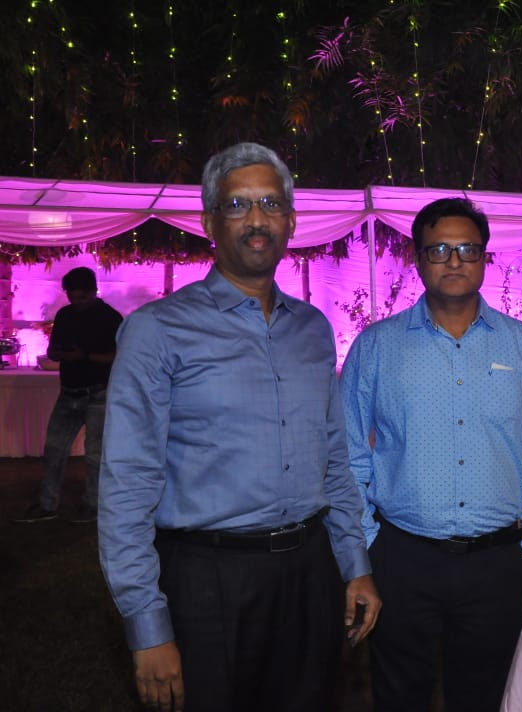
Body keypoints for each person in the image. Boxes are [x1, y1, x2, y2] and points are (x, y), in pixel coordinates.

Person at [97, 142, 381, 712]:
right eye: (237, 205)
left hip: (309, 572)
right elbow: (127, 482)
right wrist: (147, 625)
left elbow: (334, 456)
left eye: (270, 204)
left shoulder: (313, 329)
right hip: (207, 581)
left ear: (291, 221)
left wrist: (355, 564)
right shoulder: (159, 331)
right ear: (209, 223)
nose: (256, 219)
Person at [340, 197, 522, 712]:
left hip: (498, 562)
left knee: (486, 697)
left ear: (485, 257)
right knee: (399, 696)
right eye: (439, 250)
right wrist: (368, 547)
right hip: (401, 557)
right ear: (418, 260)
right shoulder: (376, 346)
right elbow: (348, 456)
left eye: (468, 249)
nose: (455, 260)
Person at [15, 267, 122, 523]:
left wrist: (84, 356)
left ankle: (92, 506)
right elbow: (53, 351)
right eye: (72, 296)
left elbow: (118, 356)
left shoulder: (110, 318)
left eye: (81, 297)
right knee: (54, 451)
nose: (76, 302)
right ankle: (48, 504)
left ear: (94, 291)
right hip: (70, 392)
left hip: (98, 393)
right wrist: (61, 354)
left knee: (94, 455)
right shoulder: (66, 315)